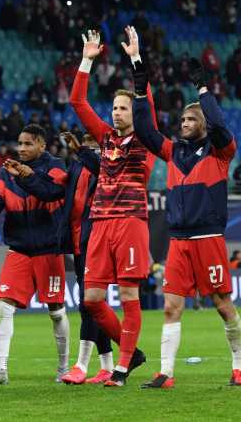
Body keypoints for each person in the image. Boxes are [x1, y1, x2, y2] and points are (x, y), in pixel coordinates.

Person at [130, 46, 241, 388]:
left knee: (223, 306)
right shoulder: (173, 152)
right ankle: (166, 372)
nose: (184, 124)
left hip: (208, 239)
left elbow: (220, 125)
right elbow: (145, 128)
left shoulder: (221, 151)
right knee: (171, 307)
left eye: (191, 119)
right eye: (182, 120)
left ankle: (239, 365)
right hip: (179, 241)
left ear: (204, 124)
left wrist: (203, 90)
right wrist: (141, 82)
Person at [70, 27, 152, 388]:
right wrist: (87, 61)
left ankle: (120, 369)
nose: (117, 113)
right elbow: (77, 103)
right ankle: (130, 351)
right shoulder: (104, 137)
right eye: (115, 108)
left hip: (131, 221)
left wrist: (136, 59)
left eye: (124, 108)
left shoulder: (147, 137)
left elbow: (146, 98)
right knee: (91, 300)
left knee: (130, 295)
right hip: (100, 222)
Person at [0, 124, 71, 385]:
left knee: (55, 310)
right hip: (19, 248)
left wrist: (25, 176)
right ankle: (2, 370)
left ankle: (64, 367)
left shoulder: (55, 166)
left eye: (28, 144)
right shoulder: (7, 172)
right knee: (4, 306)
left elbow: (52, 192)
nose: (21, 148)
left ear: (42, 145)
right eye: (19, 143)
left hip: (47, 249)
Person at [56, 132, 117, 385]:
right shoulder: (78, 165)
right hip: (79, 241)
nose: (89, 145)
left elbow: (100, 165)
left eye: (93, 140)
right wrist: (28, 178)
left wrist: (82, 150)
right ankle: (106, 367)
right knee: (94, 304)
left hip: (97, 239)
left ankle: (81, 365)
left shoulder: (110, 163)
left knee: (88, 304)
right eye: (86, 140)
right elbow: (58, 191)